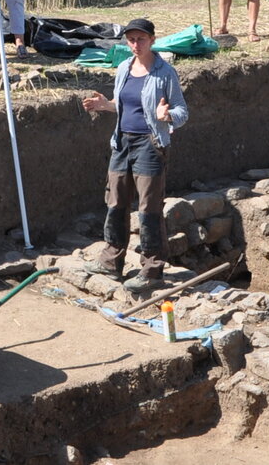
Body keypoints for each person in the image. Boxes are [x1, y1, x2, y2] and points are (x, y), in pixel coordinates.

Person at [78, 19, 189, 288]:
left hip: (150, 146)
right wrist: (106, 105)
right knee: (115, 203)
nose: (135, 45)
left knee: (149, 209)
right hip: (122, 143)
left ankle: (152, 271)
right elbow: (125, 105)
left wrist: (167, 116)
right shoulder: (124, 68)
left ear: (152, 40)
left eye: (140, 39)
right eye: (131, 40)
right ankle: (110, 262)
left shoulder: (165, 73)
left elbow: (182, 112)